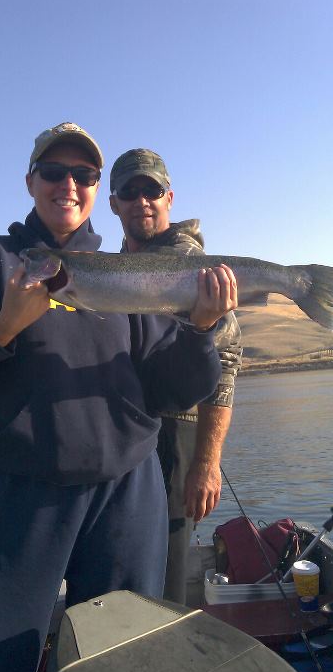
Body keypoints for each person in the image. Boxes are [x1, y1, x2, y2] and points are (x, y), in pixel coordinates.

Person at [0, 123, 237, 672]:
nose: (69, 184)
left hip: (127, 495)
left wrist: (200, 331)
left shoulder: (126, 275)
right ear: (30, 181)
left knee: (128, 660)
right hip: (17, 496)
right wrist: (1, 332)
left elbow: (170, 391)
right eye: (54, 172)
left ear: (95, 190)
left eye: (83, 175)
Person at [110, 148, 242, 605]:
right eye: (130, 191)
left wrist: (206, 463)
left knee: (162, 578)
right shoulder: (108, 270)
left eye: (151, 190)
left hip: (176, 439)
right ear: (114, 203)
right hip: (120, 436)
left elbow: (228, 361)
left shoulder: (194, 266)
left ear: (169, 198)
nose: (141, 201)